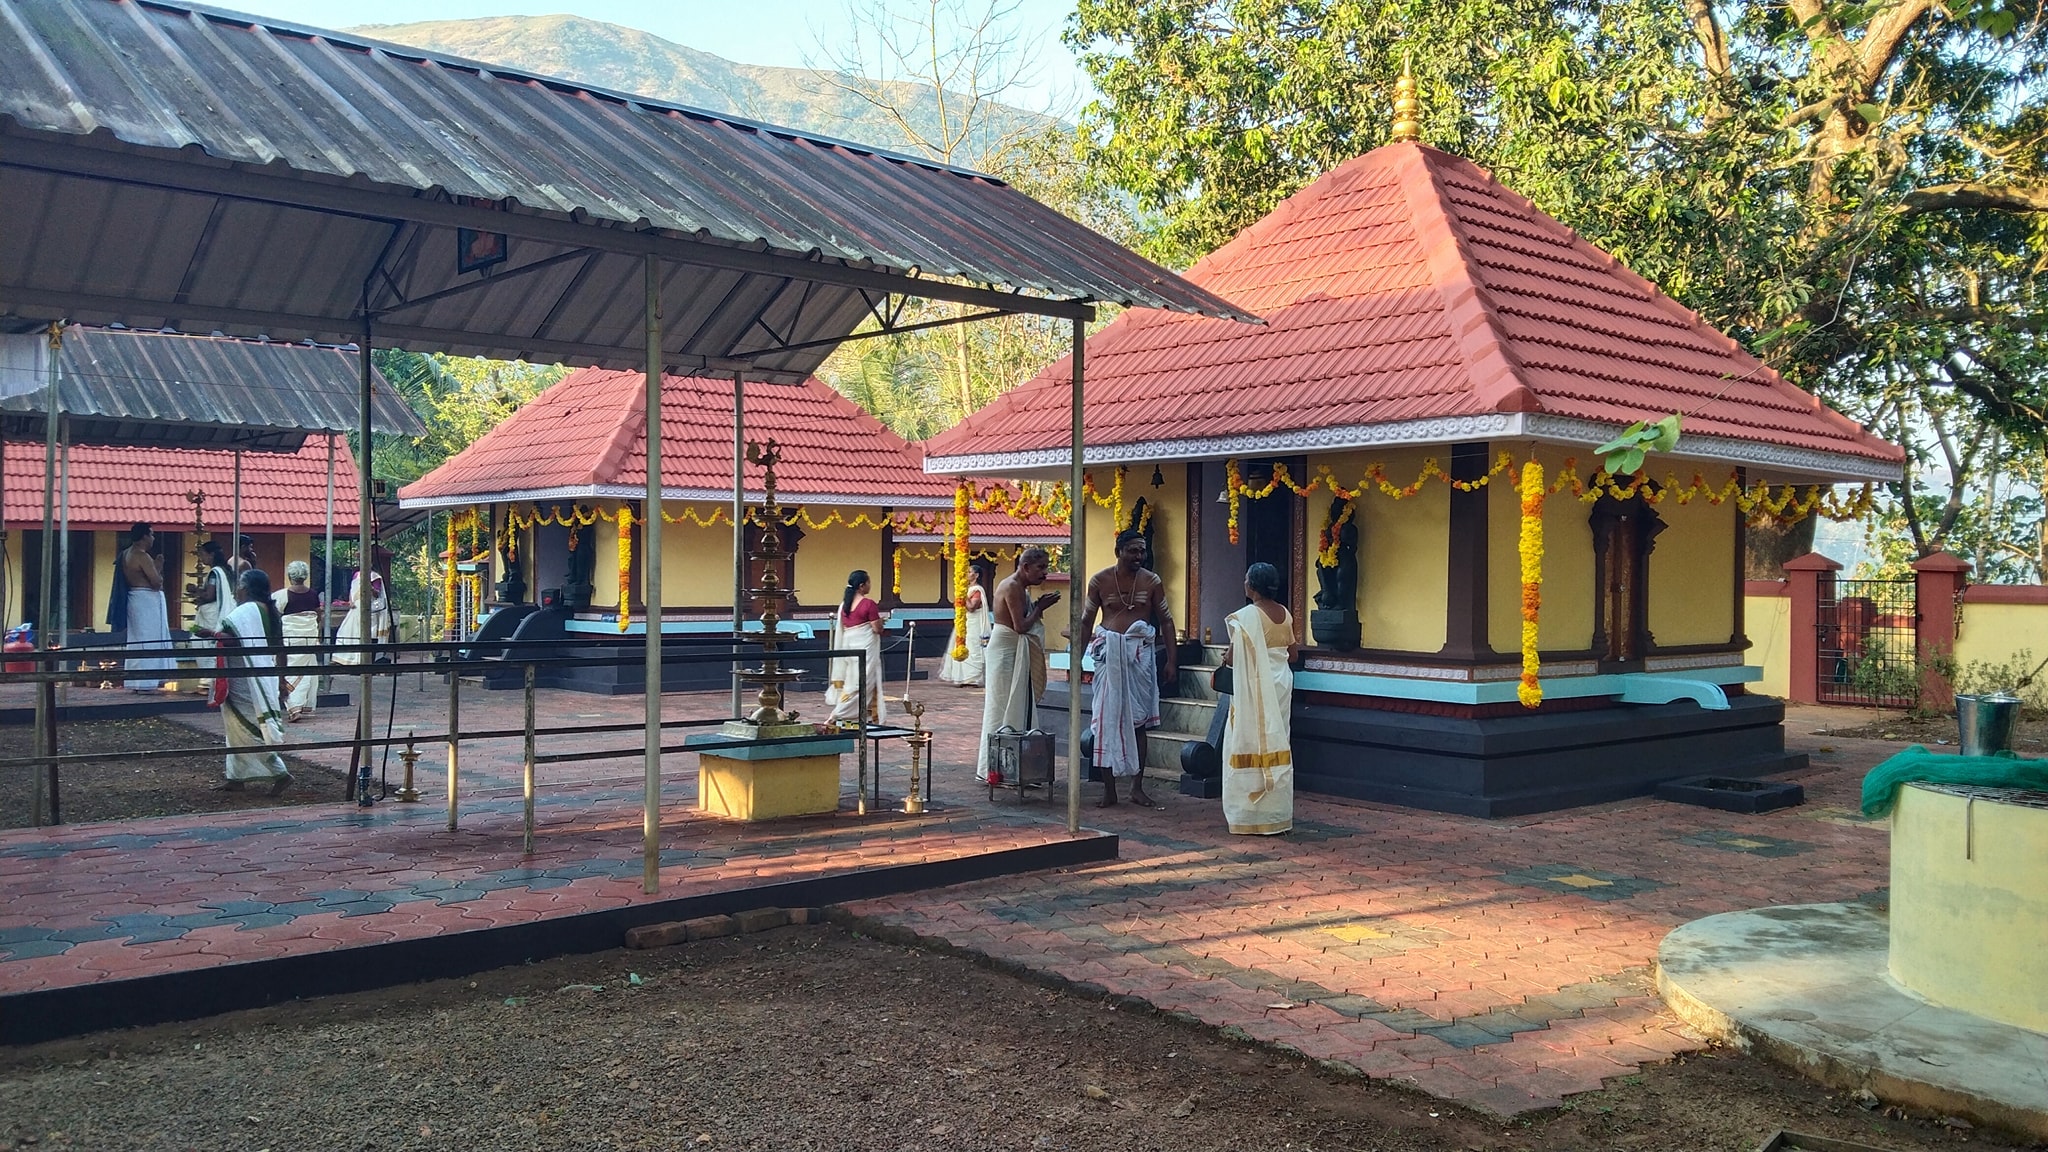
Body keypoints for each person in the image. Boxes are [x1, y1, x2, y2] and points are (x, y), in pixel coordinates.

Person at [1073, 529, 1177, 808]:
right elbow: (1086, 622)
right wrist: (1077, 658)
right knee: (1106, 722)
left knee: (1139, 723)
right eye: (1132, 550)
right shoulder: (1099, 581)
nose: (1139, 556)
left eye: (1142, 551)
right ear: (1118, 551)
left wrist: (1171, 660)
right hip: (1108, 657)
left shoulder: (1152, 581)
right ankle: (1109, 790)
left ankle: (1137, 787)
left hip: (1140, 658)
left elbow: (1166, 621)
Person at [1220, 562, 1297, 835]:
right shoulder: (1285, 613)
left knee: (1248, 738)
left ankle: (1248, 815)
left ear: (1252, 585)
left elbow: (1231, 657)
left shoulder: (1247, 616)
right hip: (1281, 685)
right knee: (1277, 738)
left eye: (1245, 580)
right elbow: (1293, 654)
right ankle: (1276, 813)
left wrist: (1231, 658)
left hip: (1254, 687)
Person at [976, 548, 1059, 782]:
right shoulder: (1012, 586)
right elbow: (1020, 626)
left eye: (1046, 567)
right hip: (1005, 652)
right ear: (1025, 567)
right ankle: (992, 769)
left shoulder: (1021, 587)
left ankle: (1014, 768)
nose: (1045, 573)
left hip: (1013, 650)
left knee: (1018, 704)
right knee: (1001, 706)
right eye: (1040, 568)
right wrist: (1040, 608)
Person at [216, 568, 291, 794]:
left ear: (247, 588)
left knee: (247, 727)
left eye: (240, 584)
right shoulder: (269, 610)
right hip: (261, 673)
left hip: (245, 676)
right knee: (235, 726)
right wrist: (281, 678)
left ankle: (280, 772)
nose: (237, 588)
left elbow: (234, 641)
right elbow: (280, 647)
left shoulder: (248, 610)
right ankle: (236, 777)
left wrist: (210, 633)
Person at [824, 569, 887, 727]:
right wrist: (881, 623)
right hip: (864, 648)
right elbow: (876, 628)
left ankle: (859, 716)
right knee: (862, 682)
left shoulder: (844, 605)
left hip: (849, 646)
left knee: (853, 681)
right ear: (861, 586)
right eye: (868, 583)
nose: (869, 586)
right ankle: (837, 714)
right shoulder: (868, 604)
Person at [118, 523, 174, 691]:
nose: (153, 538)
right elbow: (155, 582)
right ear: (144, 537)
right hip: (146, 599)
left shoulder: (126, 554)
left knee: (137, 639)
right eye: (152, 535)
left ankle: (135, 681)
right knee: (150, 640)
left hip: (135, 597)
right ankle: (146, 682)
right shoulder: (142, 556)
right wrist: (159, 566)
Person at [272, 560, 323, 721]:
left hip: (289, 640)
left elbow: (275, 618)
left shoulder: (281, 595)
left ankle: (294, 708)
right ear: (305, 576)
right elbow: (317, 616)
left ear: (289, 576)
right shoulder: (313, 594)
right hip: (309, 640)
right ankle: (299, 706)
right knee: (306, 674)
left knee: (288, 672)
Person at [333, 548, 394, 665]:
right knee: (345, 631)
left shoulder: (374, 577)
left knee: (365, 635)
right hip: (355, 608)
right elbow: (352, 589)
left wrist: (370, 588)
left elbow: (377, 594)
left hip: (369, 609)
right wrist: (350, 601)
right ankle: (345, 659)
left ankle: (361, 661)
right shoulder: (356, 575)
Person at [938, 562, 993, 687]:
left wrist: (963, 596)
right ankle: (961, 677)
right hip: (965, 622)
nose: (967, 574)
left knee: (973, 648)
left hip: (974, 624)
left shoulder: (977, 590)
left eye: (970, 572)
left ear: (976, 575)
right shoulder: (968, 589)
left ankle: (973, 678)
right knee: (961, 645)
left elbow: (972, 607)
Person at [189, 539, 233, 638]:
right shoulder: (226, 570)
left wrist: (195, 590)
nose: (201, 558)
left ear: (211, 555)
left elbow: (209, 595)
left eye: (202, 554)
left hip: (212, 615)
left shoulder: (215, 573)